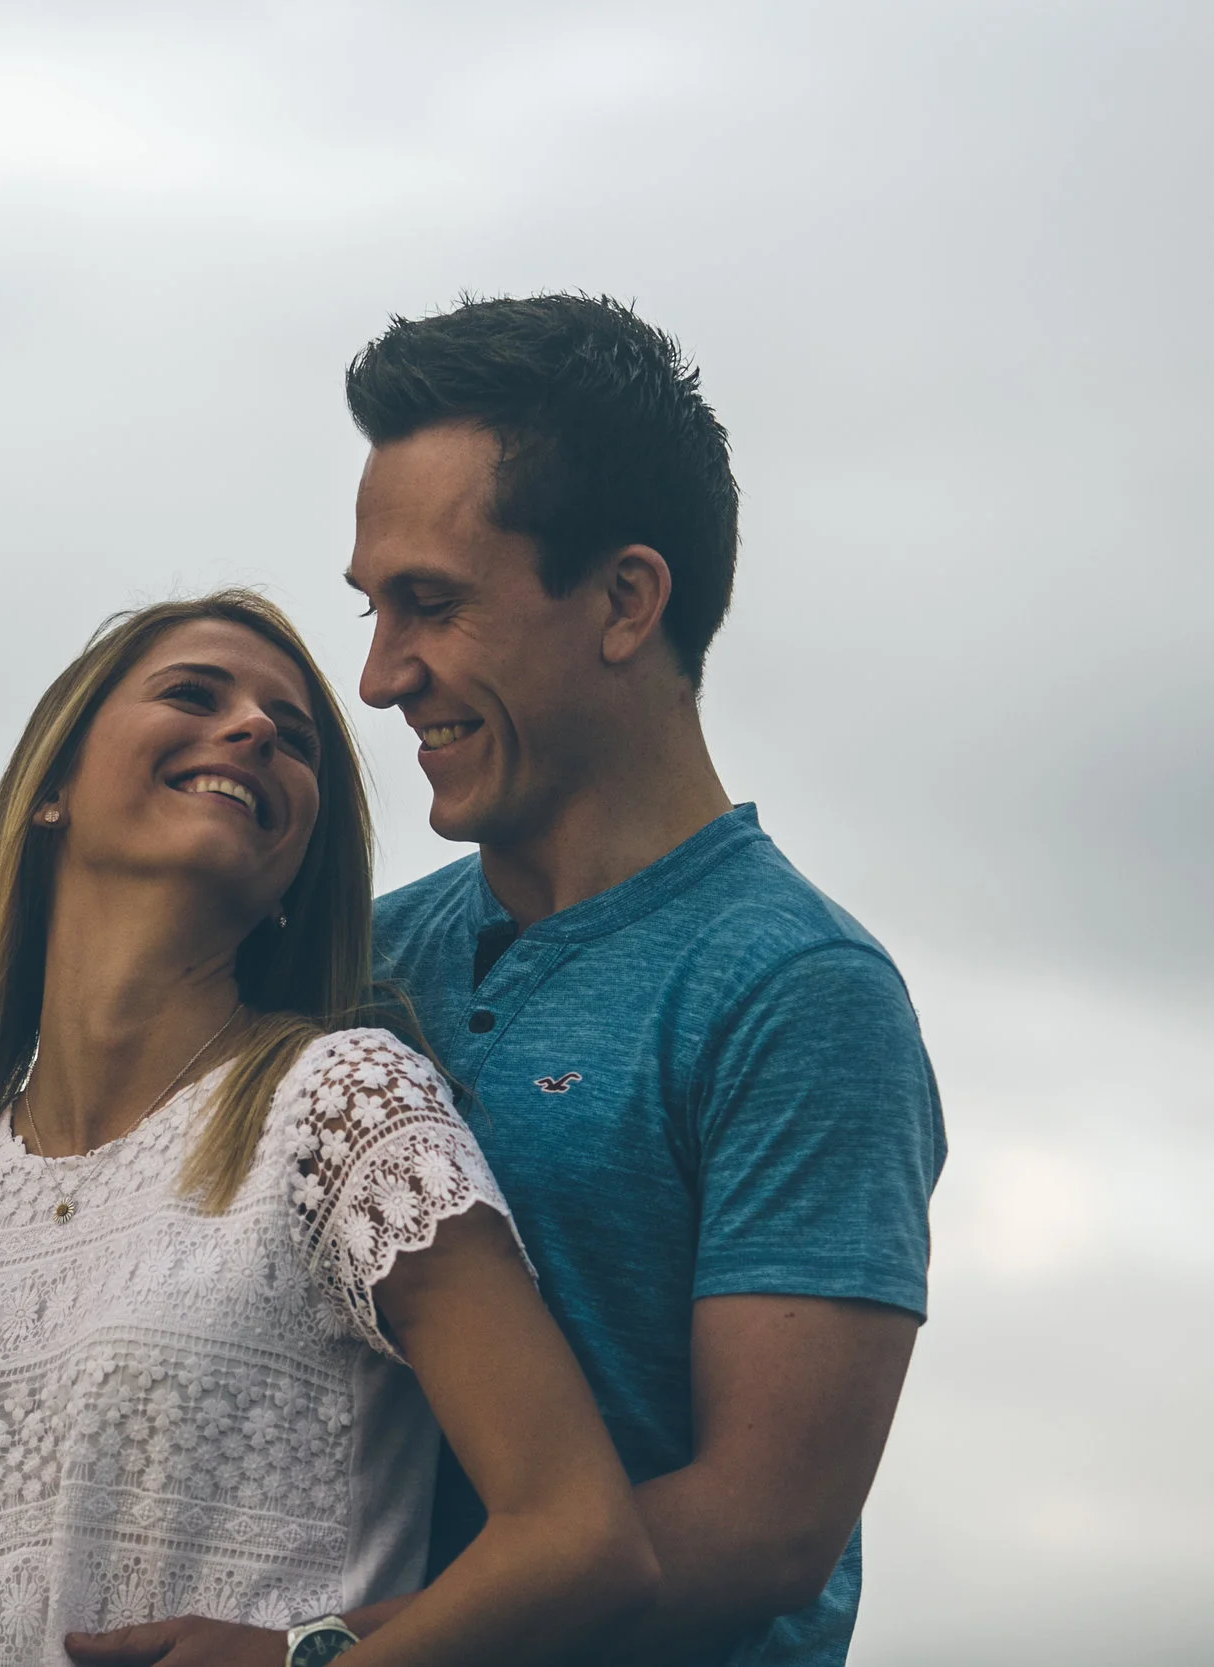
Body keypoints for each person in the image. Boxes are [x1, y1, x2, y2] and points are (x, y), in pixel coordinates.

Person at [0, 592, 659, 1667]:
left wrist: (303, 1655)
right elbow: (41, 1577)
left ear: (295, 874)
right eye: (193, 693)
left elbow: (583, 1542)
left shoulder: (341, 1106)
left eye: (292, 736)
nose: (253, 728)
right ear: (52, 789)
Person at [340, 294, 946, 1665]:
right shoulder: (356, 962)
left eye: (429, 603)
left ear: (624, 599)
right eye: (373, 608)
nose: (380, 676)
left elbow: (764, 1524)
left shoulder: (800, 990)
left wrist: (319, 1653)